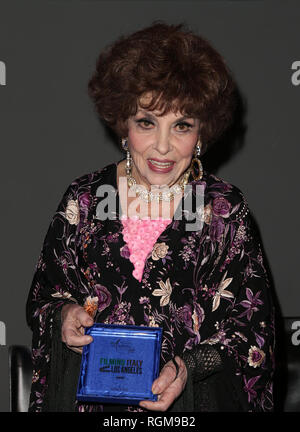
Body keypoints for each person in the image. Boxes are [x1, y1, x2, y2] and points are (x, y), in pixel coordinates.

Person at [26, 22, 275, 412]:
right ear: (124, 124)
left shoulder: (222, 211)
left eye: (182, 126)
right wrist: (65, 316)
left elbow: (251, 335)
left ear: (201, 135)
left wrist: (188, 368)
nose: (163, 146)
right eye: (147, 122)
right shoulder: (87, 200)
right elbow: (45, 298)